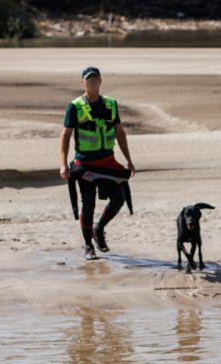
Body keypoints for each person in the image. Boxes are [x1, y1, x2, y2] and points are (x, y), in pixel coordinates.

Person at [58, 66, 136, 260]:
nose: (92, 82)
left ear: (100, 82)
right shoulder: (74, 106)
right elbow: (65, 137)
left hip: (108, 160)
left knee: (119, 198)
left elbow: (119, 132)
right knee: (88, 203)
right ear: (83, 83)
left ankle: (98, 228)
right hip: (84, 163)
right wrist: (63, 164)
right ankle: (88, 245)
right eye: (88, 80)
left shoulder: (110, 104)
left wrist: (128, 160)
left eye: (95, 79)